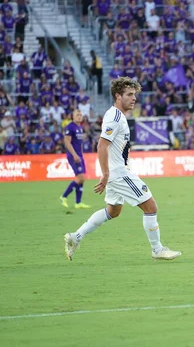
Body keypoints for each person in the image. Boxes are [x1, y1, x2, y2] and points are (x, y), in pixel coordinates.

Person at [63, 77, 181, 261]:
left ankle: (76, 236)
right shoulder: (115, 117)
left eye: (134, 94)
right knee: (151, 207)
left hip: (116, 171)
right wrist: (106, 174)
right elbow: (101, 146)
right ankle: (157, 249)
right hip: (118, 173)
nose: (133, 98)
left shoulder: (118, 116)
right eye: (129, 95)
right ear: (118, 96)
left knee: (113, 211)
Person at [59, 109, 91, 209]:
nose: (79, 116)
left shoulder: (79, 127)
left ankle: (78, 203)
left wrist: (81, 154)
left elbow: (79, 143)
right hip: (73, 156)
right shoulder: (70, 127)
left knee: (82, 179)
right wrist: (74, 155)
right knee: (80, 178)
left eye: (80, 115)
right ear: (72, 116)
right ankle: (63, 196)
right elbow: (67, 142)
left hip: (79, 155)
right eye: (77, 115)